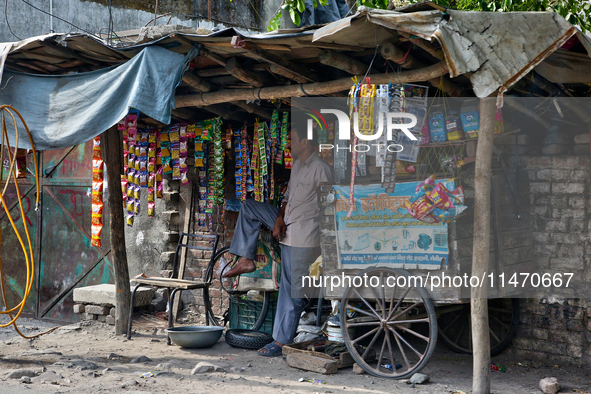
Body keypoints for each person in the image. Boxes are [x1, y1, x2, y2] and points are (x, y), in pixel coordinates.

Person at [223, 126, 335, 357]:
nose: (289, 145)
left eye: (293, 140)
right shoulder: (296, 166)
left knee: (290, 289)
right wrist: (279, 219)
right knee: (249, 206)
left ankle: (282, 341)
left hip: (304, 234)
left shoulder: (321, 169)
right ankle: (246, 259)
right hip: (287, 222)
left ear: (305, 142)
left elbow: (330, 207)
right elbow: (286, 199)